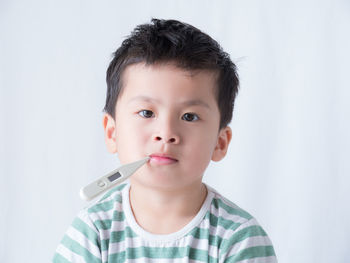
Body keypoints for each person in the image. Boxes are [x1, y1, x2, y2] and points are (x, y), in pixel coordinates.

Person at [53, 18, 277, 263]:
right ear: (111, 132)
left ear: (220, 142)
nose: (166, 132)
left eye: (189, 116)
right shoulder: (92, 232)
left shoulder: (239, 238)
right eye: (146, 113)